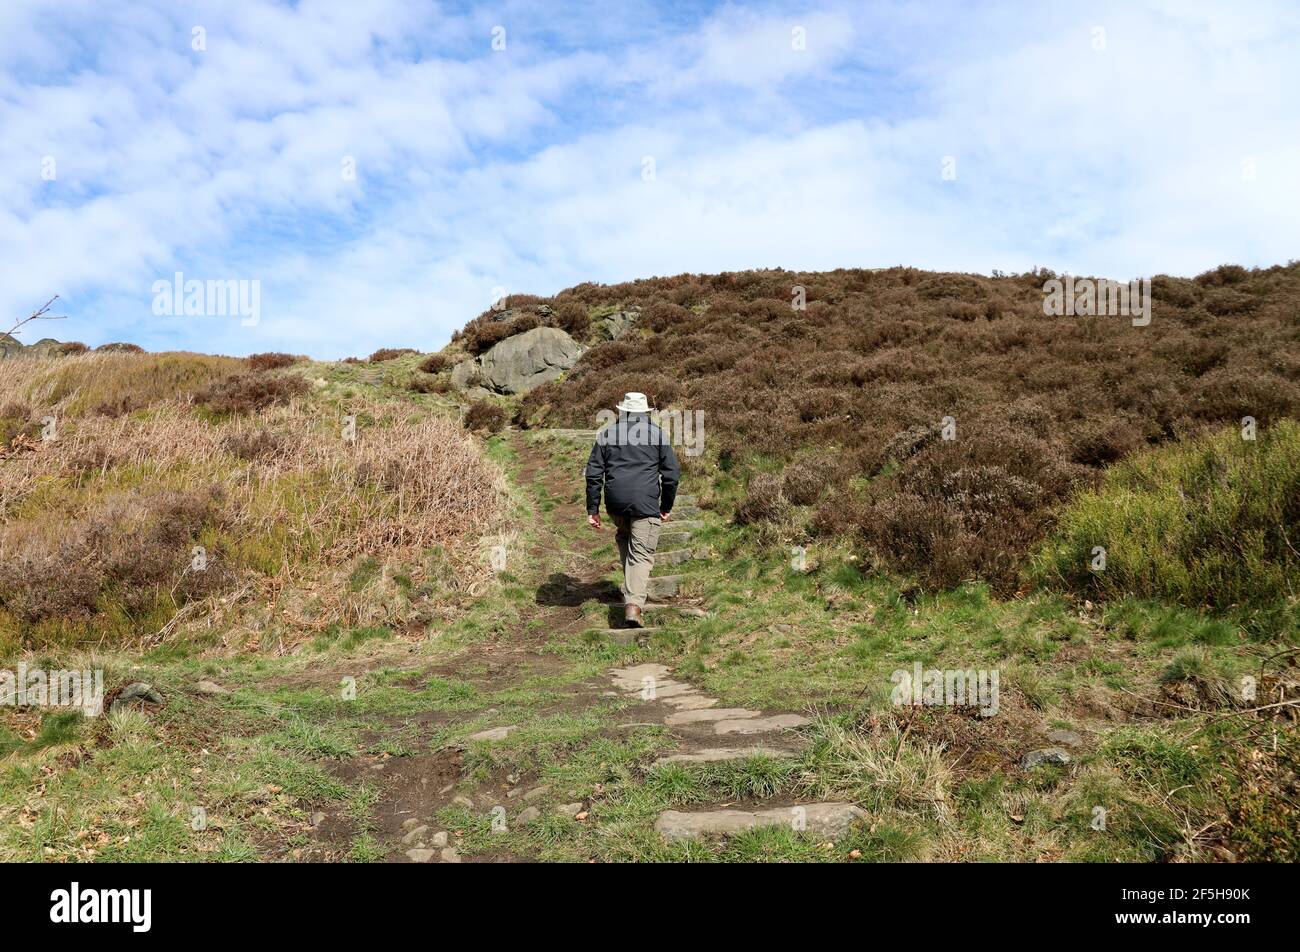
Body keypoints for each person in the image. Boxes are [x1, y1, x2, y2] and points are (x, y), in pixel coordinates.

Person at [584, 392, 680, 628]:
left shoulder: (606, 434)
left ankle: (631, 592)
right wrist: (665, 506)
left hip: (615, 504)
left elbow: (594, 474)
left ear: (623, 411)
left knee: (625, 538)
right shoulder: (656, 434)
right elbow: (671, 475)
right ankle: (634, 606)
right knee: (642, 554)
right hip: (645, 504)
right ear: (645, 412)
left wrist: (593, 508)